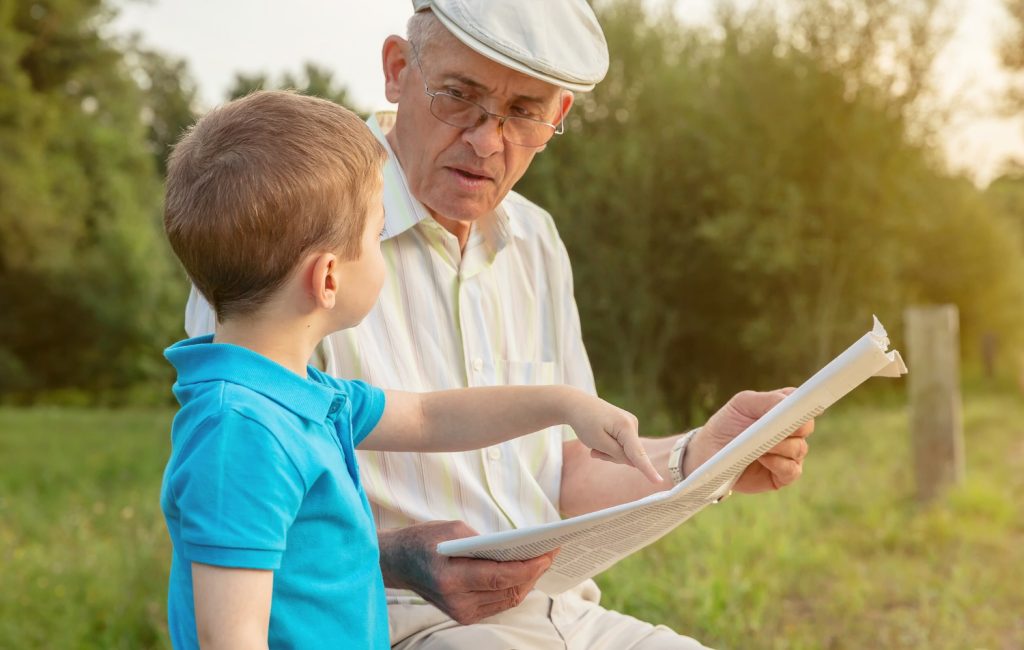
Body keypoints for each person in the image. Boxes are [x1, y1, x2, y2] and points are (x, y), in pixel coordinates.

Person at [185, 2, 815, 648]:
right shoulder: (286, 232)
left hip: (562, 616)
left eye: (523, 112)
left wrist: (701, 457)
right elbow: (239, 515)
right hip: (394, 625)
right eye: (459, 96)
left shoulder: (537, 240)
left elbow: (556, 464)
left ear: (557, 117)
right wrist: (399, 558)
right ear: (398, 70)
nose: (488, 141)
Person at [161, 89, 664, 650]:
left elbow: (429, 416)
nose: (385, 249)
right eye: (376, 236)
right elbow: (229, 638)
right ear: (327, 279)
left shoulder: (304, 395)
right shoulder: (242, 435)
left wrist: (564, 403)